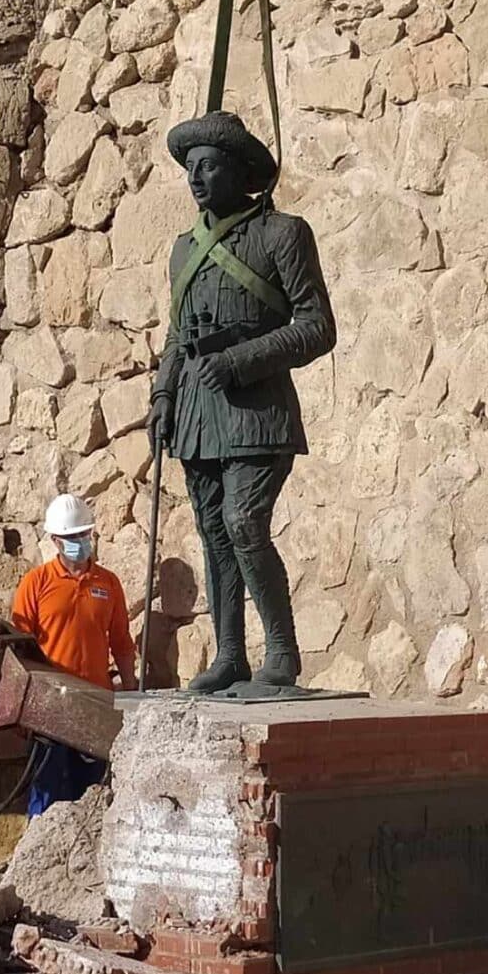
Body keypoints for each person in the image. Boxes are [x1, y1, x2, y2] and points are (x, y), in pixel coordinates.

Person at [147, 111, 336, 694]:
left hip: (258, 413)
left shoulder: (282, 234)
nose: (196, 178)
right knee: (212, 530)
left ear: (239, 172)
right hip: (199, 416)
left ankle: (281, 651)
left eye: (208, 166)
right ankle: (231, 653)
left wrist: (238, 359)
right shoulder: (184, 250)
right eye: (190, 169)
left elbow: (317, 327)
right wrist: (162, 393)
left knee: (244, 521)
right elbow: (178, 334)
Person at [11, 493, 137, 817]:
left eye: (83, 535)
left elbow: (121, 642)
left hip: (96, 703)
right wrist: (23, 707)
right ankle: (39, 858)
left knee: (92, 793)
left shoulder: (108, 583)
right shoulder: (36, 583)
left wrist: (132, 691)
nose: (79, 542)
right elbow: (20, 648)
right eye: (71, 537)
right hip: (50, 706)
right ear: (55, 540)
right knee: (48, 788)